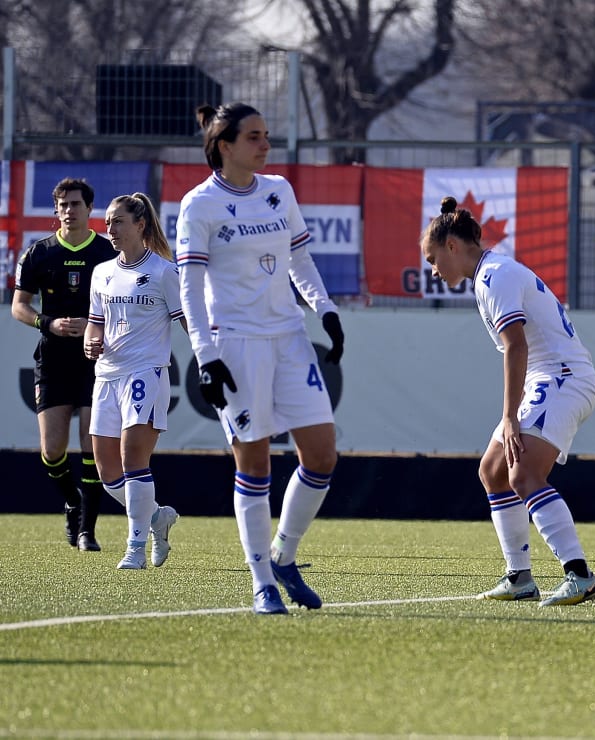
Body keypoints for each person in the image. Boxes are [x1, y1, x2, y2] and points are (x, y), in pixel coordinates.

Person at [177, 102, 346, 615]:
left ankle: (283, 557)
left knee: (322, 455)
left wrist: (326, 309)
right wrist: (206, 355)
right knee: (253, 463)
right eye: (253, 136)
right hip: (237, 343)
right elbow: (190, 284)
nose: (265, 144)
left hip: (289, 337)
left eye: (266, 135)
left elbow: (299, 257)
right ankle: (261, 583)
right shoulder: (199, 204)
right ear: (224, 146)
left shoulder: (279, 190)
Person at [420, 196, 595, 607]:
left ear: (452, 245)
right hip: (550, 378)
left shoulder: (495, 276)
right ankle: (519, 576)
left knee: (523, 476)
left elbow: (516, 347)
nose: (433, 270)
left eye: (433, 258)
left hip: (562, 378)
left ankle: (580, 575)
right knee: (493, 471)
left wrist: (508, 416)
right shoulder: (489, 275)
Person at [11, 178, 115, 551]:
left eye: (76, 203)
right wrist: (48, 323)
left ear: (90, 209)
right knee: (52, 449)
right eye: (63, 204)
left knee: (92, 446)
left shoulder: (107, 252)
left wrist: (94, 325)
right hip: (53, 359)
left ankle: (87, 530)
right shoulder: (38, 253)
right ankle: (72, 501)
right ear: (56, 210)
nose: (69, 210)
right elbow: (19, 306)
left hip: (96, 359)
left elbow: (123, 304)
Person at [83, 193, 185, 570]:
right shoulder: (102, 272)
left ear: (140, 224)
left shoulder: (163, 272)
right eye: (108, 222)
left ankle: (135, 548)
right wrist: (90, 338)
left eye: (118, 221)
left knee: (132, 459)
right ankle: (157, 518)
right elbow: (96, 322)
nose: (109, 229)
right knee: (108, 472)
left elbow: (186, 321)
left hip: (146, 373)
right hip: (106, 376)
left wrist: (212, 359)